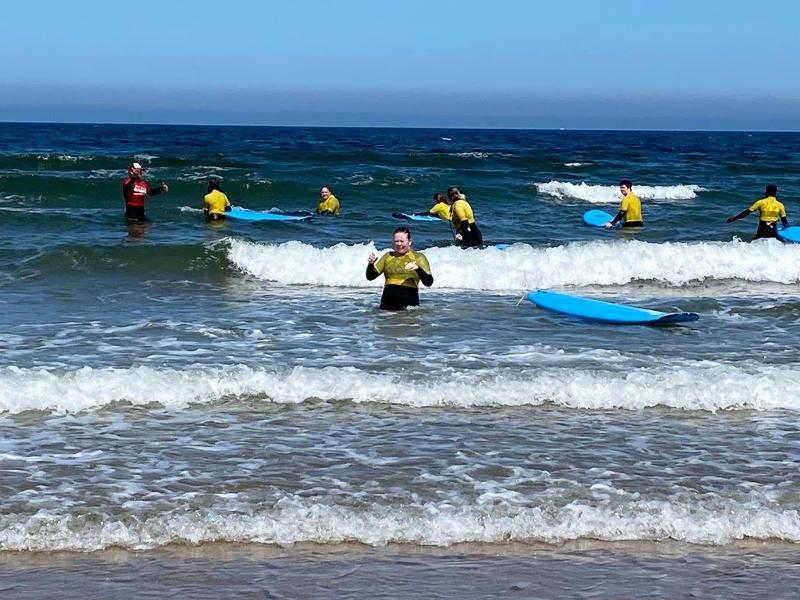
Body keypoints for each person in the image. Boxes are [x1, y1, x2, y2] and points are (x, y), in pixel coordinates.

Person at [366, 226, 434, 310]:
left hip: (408, 310)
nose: (399, 244)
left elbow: (429, 282)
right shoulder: (388, 256)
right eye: (396, 241)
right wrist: (371, 264)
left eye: (402, 241)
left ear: (409, 242)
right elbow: (370, 277)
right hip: (385, 310)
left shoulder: (418, 257)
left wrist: (418, 269)